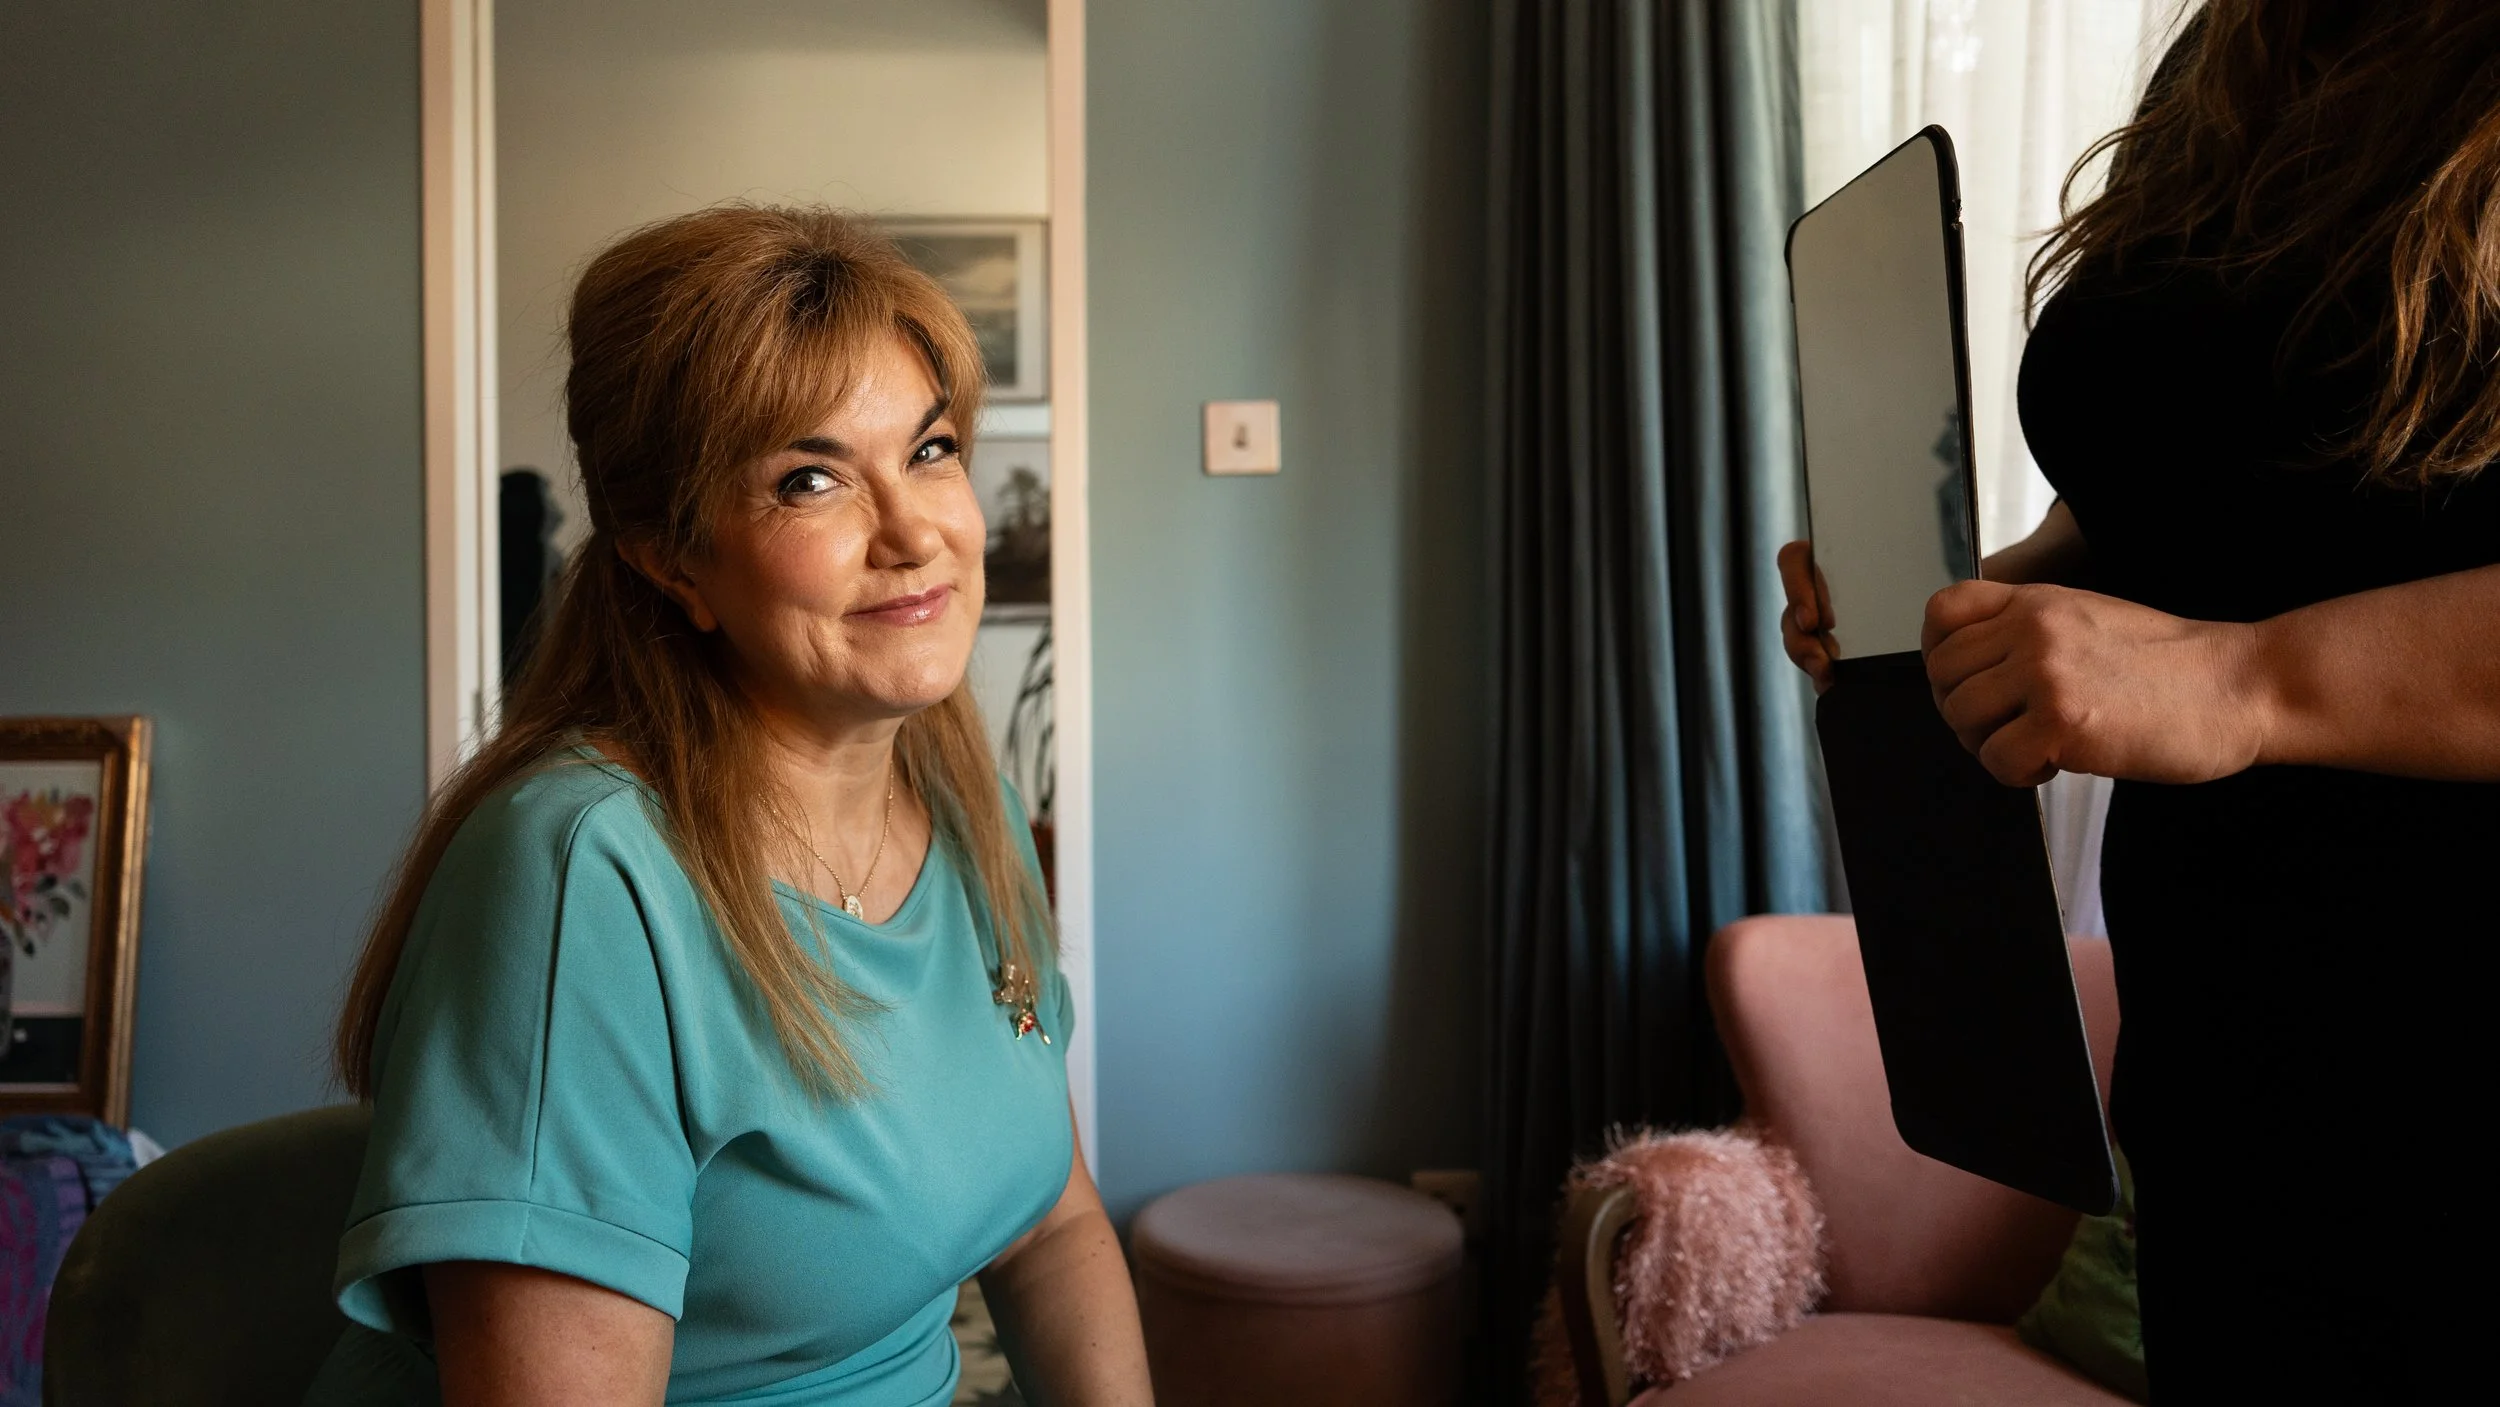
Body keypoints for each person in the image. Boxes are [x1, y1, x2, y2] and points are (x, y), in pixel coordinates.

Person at [1779, 3, 2499, 1398]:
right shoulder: (2238, 56)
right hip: (2231, 1070)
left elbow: (2242, 637)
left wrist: (2245, 678)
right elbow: (2199, 474)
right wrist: (1984, 603)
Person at [316, 205, 1151, 1405]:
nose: (914, 534)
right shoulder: (582, 880)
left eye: (930, 450)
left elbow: (1049, 1226)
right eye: (811, 480)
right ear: (670, 557)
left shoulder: (968, 803)